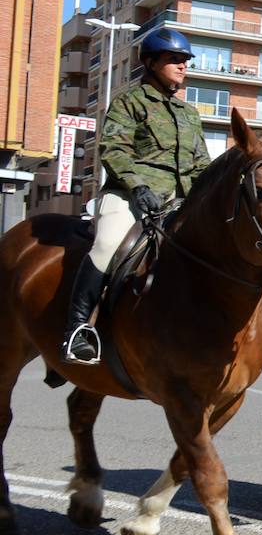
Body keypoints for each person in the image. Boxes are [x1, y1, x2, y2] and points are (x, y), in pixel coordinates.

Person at [60, 27, 211, 365]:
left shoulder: (189, 115)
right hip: (130, 195)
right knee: (108, 245)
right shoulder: (130, 101)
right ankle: (78, 329)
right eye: (174, 59)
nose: (183, 66)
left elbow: (202, 163)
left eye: (185, 60)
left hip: (181, 200)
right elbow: (113, 148)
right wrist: (138, 186)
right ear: (151, 62)